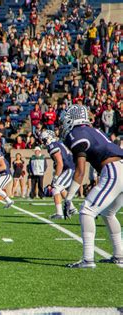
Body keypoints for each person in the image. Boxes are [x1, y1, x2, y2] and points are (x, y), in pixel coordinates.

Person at [61, 105, 123, 268]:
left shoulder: (76, 134)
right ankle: (119, 255)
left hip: (114, 169)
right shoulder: (92, 130)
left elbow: (81, 171)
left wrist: (68, 198)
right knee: (108, 213)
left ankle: (88, 259)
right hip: (119, 166)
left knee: (87, 210)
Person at [40, 130, 75, 219]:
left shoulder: (53, 146)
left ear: (49, 138)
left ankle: (59, 213)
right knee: (61, 188)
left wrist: (55, 177)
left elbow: (60, 163)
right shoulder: (58, 143)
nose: (43, 142)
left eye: (44, 140)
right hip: (69, 167)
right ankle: (72, 208)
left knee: (55, 188)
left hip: (67, 169)